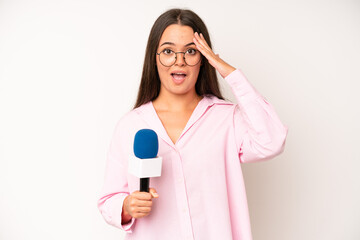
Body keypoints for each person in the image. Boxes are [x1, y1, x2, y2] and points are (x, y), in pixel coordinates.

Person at [98, 8, 288, 240]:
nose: (179, 61)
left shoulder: (226, 118)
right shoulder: (131, 125)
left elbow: (272, 142)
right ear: (154, 58)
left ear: (204, 59)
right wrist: (127, 206)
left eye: (190, 51)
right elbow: (109, 199)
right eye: (168, 51)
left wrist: (228, 71)